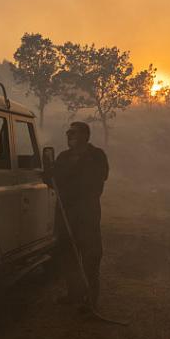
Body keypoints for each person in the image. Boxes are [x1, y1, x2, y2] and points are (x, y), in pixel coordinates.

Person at [50, 121, 109, 309]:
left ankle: (90, 300)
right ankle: (74, 293)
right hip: (66, 215)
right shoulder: (63, 157)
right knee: (68, 256)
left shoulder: (96, 156)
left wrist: (67, 179)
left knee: (90, 257)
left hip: (87, 215)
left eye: (73, 133)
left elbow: (96, 179)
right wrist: (49, 176)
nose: (69, 136)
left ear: (85, 135)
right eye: (68, 133)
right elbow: (54, 180)